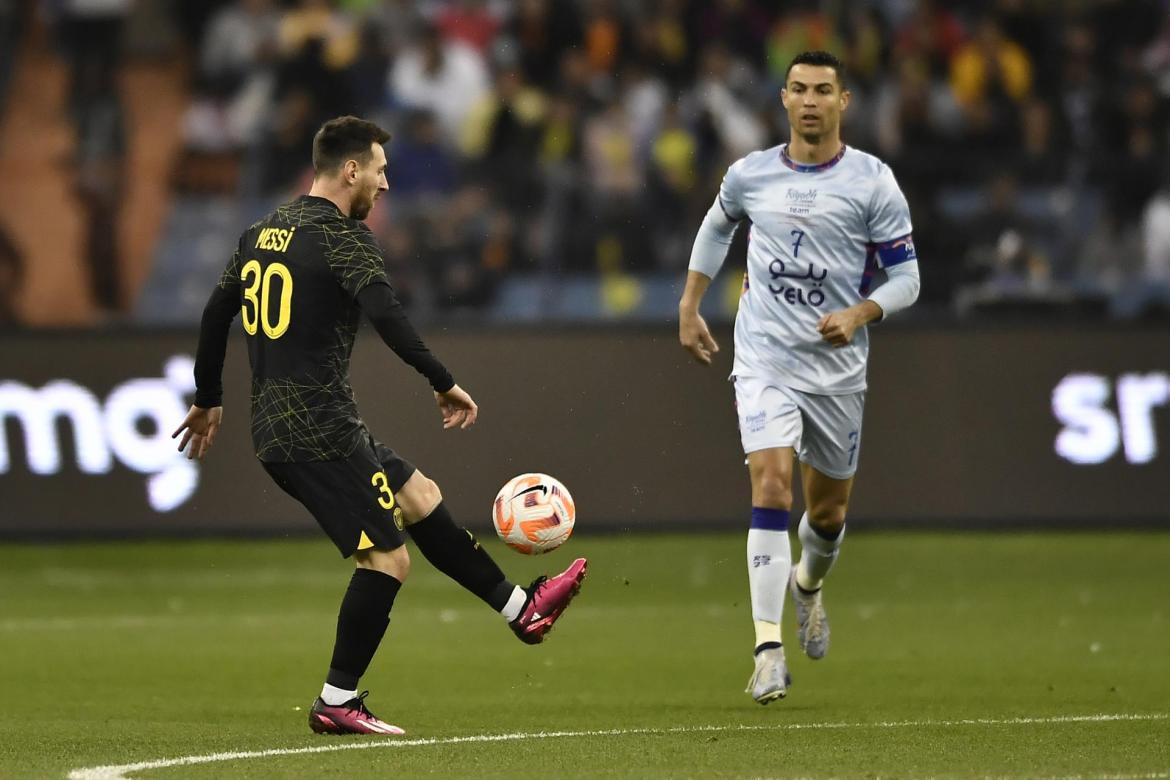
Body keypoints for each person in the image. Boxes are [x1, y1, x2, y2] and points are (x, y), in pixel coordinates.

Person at [172, 116, 588, 735]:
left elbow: (214, 313)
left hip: (296, 424)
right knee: (388, 562)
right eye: (379, 170)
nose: (386, 184)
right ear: (350, 171)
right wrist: (443, 381)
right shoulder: (344, 239)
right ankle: (336, 701)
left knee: (420, 498)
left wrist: (208, 396)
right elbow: (388, 317)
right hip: (318, 431)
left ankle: (520, 610)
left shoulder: (261, 231)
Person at [677, 51, 920, 705]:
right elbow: (717, 224)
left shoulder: (873, 182)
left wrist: (862, 312)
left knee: (829, 512)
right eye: (799, 90)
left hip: (837, 372)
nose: (811, 100)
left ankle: (807, 584)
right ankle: (766, 650)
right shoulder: (751, 175)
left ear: (844, 102)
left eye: (824, 90)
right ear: (783, 99)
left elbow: (909, 279)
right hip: (765, 362)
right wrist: (691, 303)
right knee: (772, 482)